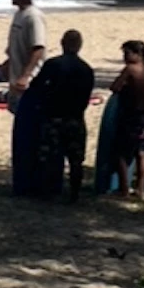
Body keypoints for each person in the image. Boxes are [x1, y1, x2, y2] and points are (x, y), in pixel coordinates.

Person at [27, 30, 95, 201]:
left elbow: (36, 86)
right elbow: (86, 96)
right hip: (76, 117)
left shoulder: (53, 64)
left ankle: (48, 191)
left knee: (49, 156)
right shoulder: (86, 69)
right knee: (76, 160)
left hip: (54, 116)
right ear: (80, 46)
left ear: (62, 43)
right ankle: (74, 193)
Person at [108, 40, 144, 201]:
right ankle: (140, 189)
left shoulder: (130, 69)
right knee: (141, 153)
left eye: (127, 53)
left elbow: (115, 87)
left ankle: (124, 190)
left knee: (121, 153)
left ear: (137, 54)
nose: (124, 57)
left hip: (132, 115)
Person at [5, 0, 47, 109]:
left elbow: (38, 48)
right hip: (16, 78)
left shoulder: (33, 16)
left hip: (29, 80)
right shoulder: (19, 14)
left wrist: (25, 76)